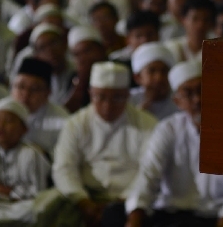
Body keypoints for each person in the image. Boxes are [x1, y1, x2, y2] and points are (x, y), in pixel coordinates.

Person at [124, 61, 223, 227]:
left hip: (222, 215)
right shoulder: (168, 129)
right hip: (177, 215)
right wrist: (135, 217)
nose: (197, 100)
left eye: (201, 90)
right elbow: (148, 175)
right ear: (177, 101)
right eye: (188, 93)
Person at [51, 61, 157, 226]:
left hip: (130, 200)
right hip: (85, 198)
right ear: (90, 94)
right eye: (100, 97)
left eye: (117, 97)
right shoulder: (76, 123)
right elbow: (64, 167)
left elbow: (149, 172)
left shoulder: (148, 124)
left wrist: (126, 201)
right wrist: (83, 202)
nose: (108, 105)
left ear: (128, 96)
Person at [0, 58, 70, 166]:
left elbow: (66, 161)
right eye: (20, 87)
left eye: (34, 89)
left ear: (48, 93)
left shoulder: (61, 120)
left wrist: (42, 154)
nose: (25, 94)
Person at [130, 42, 178, 121]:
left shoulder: (181, 101)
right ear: (138, 78)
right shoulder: (129, 100)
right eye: (152, 71)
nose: (159, 78)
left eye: (164, 71)